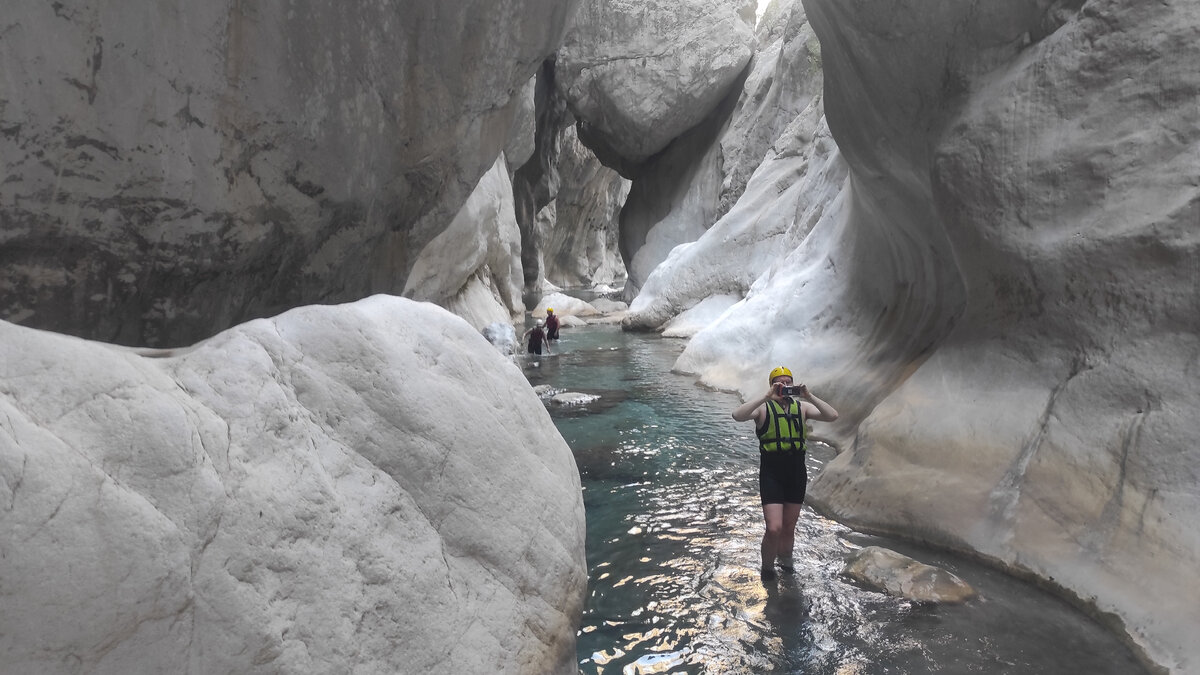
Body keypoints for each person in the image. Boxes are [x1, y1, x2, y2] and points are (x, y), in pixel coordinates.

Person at [731, 365, 838, 580]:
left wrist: (810, 396)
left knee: (789, 527)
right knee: (774, 528)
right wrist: (765, 396)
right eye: (779, 382)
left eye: (788, 382)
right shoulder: (764, 409)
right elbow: (737, 415)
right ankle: (767, 569)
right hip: (772, 472)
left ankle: (787, 565)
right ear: (772, 385)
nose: (785, 386)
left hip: (796, 472)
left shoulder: (802, 408)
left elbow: (832, 415)